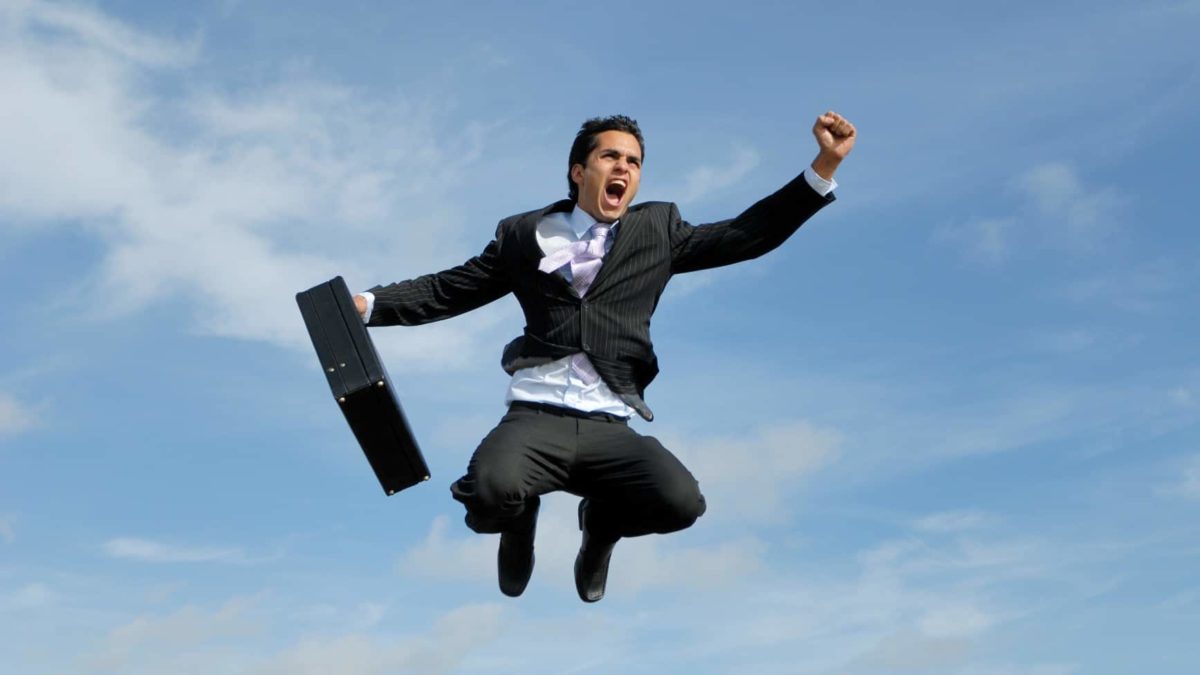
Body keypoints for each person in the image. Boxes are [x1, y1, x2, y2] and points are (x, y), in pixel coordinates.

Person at [355, 111, 856, 602]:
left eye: (634, 162)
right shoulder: (521, 235)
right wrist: (368, 305)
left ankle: (600, 525)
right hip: (536, 417)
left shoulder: (657, 229)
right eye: (610, 157)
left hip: (609, 424)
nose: (624, 168)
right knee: (490, 494)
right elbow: (449, 289)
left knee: (681, 504)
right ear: (579, 171)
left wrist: (823, 168)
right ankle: (519, 518)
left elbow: (748, 234)